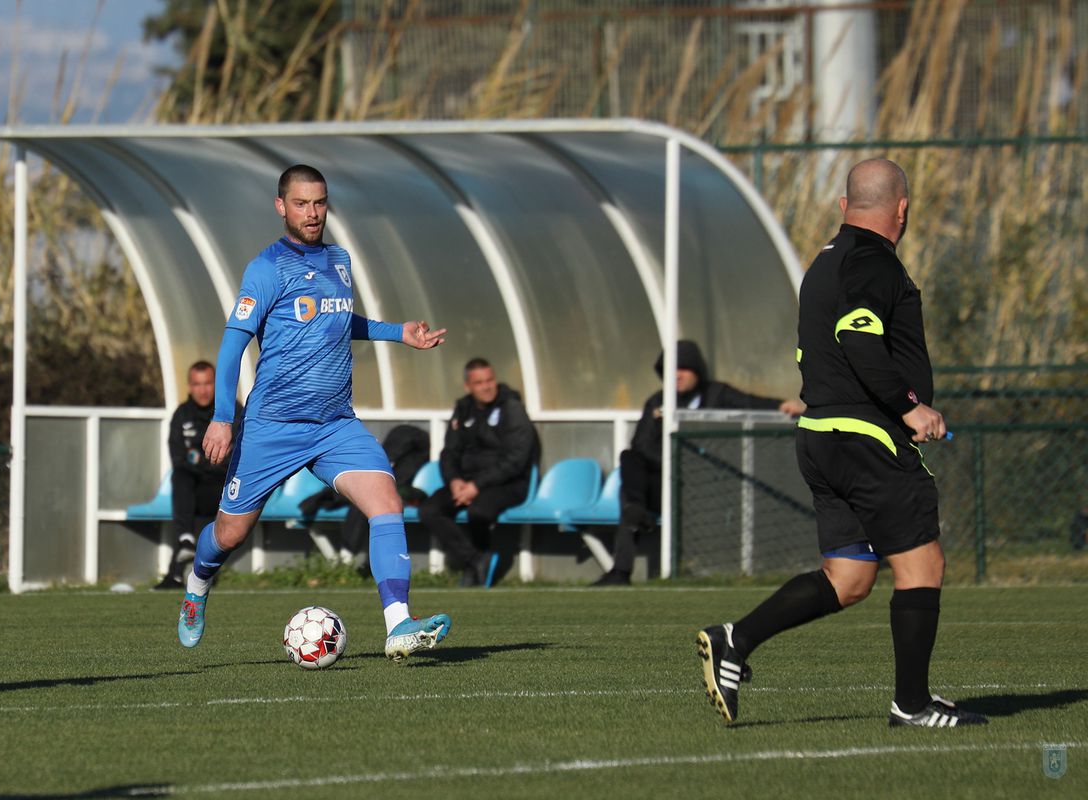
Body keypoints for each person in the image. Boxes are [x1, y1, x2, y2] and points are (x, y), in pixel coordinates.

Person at [697, 158, 988, 727]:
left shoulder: (825, 262)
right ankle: (912, 705)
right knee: (923, 564)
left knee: (849, 578)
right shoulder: (874, 262)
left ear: (843, 206)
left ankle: (736, 639)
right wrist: (911, 406)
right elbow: (858, 337)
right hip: (867, 438)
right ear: (902, 209)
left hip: (821, 436)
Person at [178, 164, 452, 661]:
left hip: (334, 425)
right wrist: (222, 416)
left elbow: (339, 320)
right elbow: (231, 346)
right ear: (281, 206)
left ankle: (398, 624)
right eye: (301, 203)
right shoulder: (266, 269)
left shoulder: (339, 260)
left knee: (387, 503)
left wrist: (397, 333)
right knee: (230, 533)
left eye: (319, 202)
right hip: (272, 427)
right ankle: (197, 585)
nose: (312, 213)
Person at [591, 339, 805, 586]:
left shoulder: (717, 394)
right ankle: (629, 536)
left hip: (704, 486)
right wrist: (668, 462)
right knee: (629, 460)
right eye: (670, 369)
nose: (676, 375)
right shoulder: (657, 401)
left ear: (697, 370)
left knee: (629, 494)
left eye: (683, 368)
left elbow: (749, 402)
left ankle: (622, 566)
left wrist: (780, 406)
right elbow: (641, 444)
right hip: (664, 484)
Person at [419, 358, 539, 588]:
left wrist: (477, 485)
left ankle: (476, 569)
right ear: (468, 386)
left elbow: (516, 460)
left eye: (489, 380)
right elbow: (449, 452)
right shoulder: (463, 409)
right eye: (479, 383)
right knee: (430, 510)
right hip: (466, 482)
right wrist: (454, 480)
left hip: (508, 483)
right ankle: (475, 560)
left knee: (479, 511)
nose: (486, 387)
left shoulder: (511, 408)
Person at [298, 424, 431, 572]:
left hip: (390, 496)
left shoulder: (410, 462)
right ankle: (353, 557)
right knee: (365, 500)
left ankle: (349, 557)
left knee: (365, 502)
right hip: (378, 494)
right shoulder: (391, 460)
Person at [154, 361, 240, 589]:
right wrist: (209, 462)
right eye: (197, 384)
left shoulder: (233, 411)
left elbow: (235, 459)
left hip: (224, 489)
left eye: (208, 383)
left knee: (202, 500)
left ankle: (181, 569)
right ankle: (186, 544)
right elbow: (178, 459)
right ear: (190, 387)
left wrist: (201, 462)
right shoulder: (182, 415)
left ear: (216, 384)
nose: (203, 390)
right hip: (193, 488)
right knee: (181, 478)